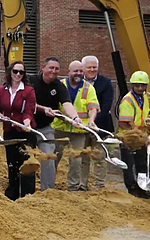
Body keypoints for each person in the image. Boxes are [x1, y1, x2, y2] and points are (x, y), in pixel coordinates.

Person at [50, 60, 101, 191]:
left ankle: (73, 186)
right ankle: (49, 184)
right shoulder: (59, 85)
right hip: (60, 128)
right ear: (69, 72)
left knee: (76, 160)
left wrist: (91, 121)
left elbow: (93, 107)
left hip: (79, 131)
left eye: (80, 71)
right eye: (75, 71)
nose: (78, 73)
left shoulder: (88, 88)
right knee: (54, 156)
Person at [30, 57, 80, 191]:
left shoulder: (59, 86)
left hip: (45, 128)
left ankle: (47, 190)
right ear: (43, 68)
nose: (54, 71)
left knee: (48, 157)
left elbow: (67, 103)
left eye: (56, 69)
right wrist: (43, 109)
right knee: (26, 157)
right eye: (51, 68)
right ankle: (25, 189)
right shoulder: (31, 81)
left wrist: (75, 118)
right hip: (27, 127)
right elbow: (25, 102)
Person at [0, 60, 37, 200]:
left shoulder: (28, 91)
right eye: (15, 71)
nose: (18, 74)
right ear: (10, 72)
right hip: (9, 132)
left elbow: (29, 111)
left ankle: (27, 195)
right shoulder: (2, 90)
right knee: (12, 162)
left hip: (25, 131)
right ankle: (12, 193)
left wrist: (26, 122)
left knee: (26, 164)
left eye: (21, 72)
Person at [116, 71, 150, 199]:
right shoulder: (127, 100)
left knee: (142, 163)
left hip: (141, 136)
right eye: (137, 85)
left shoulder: (147, 97)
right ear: (132, 85)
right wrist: (141, 136)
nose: (140, 88)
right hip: (128, 136)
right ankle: (132, 189)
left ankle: (143, 189)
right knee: (128, 164)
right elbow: (128, 122)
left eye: (143, 86)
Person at [81, 55, 113, 188]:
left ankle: (99, 185)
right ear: (83, 68)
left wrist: (93, 122)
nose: (92, 69)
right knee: (83, 157)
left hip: (100, 126)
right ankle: (82, 184)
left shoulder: (106, 83)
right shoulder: (77, 83)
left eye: (94, 67)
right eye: (89, 67)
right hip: (81, 127)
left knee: (99, 157)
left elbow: (106, 105)